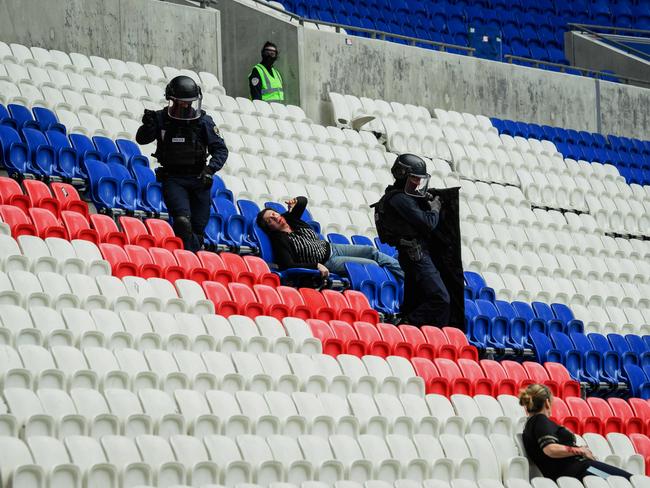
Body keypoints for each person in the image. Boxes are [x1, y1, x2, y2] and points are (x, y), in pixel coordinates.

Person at [136, 75, 228, 252]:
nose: (186, 105)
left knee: (198, 229)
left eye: (189, 102)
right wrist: (148, 126)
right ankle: (189, 259)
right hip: (174, 178)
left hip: (199, 179)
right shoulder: (161, 118)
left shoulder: (203, 121)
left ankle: (191, 257)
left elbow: (221, 150)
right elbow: (142, 139)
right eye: (181, 102)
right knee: (182, 222)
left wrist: (210, 170)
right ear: (172, 100)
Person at [373, 153, 450, 326]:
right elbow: (428, 223)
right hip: (416, 256)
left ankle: (408, 330)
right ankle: (405, 325)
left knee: (414, 303)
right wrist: (435, 208)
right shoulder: (399, 199)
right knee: (440, 299)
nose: (417, 183)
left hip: (414, 255)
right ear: (402, 174)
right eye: (414, 178)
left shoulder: (403, 197)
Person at [256, 196, 403, 282]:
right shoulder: (279, 240)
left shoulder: (291, 218)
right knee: (371, 264)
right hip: (328, 261)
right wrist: (316, 266)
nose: (275, 217)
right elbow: (287, 264)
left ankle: (406, 276)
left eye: (274, 214)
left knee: (372, 251)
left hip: (332, 247)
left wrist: (295, 201)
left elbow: (303, 201)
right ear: (269, 228)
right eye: (270, 220)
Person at [519, 384, 632, 481]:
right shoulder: (540, 420)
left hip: (577, 470)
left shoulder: (533, 423)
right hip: (580, 469)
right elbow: (550, 449)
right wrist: (580, 450)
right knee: (628, 481)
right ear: (547, 402)